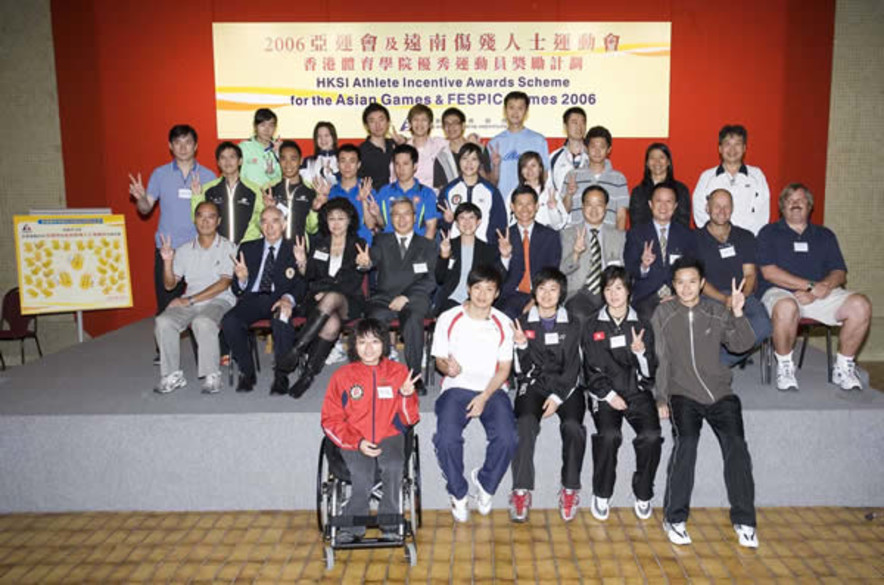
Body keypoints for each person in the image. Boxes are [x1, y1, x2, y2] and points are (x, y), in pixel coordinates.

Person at [652, 257, 759, 549]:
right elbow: (661, 359)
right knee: (686, 442)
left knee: (736, 446)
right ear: (673, 286)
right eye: (679, 282)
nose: (686, 287)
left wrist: (737, 313)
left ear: (701, 283)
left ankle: (745, 520)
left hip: (720, 393)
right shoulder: (663, 314)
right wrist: (661, 397)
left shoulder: (716, 311)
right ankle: (674, 517)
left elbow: (742, 344)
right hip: (682, 393)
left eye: (691, 281)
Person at [757, 183, 871, 392]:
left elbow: (839, 271)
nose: (795, 204)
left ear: (810, 205)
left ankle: (843, 367)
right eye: (790, 201)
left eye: (800, 200)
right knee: (786, 307)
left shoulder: (825, 235)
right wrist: (809, 286)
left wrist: (821, 288)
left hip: (821, 293)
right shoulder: (768, 233)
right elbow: (769, 273)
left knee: (860, 305)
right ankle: (785, 366)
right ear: (782, 207)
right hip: (781, 292)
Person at [320, 318, 421, 544]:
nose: (368, 348)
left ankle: (391, 522)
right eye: (362, 342)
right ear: (353, 345)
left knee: (394, 466)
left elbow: (410, 418)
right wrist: (357, 442)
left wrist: (406, 395)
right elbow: (330, 419)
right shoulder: (342, 377)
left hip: (390, 434)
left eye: (375, 342)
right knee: (362, 474)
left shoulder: (398, 372)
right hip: (354, 438)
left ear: (384, 344)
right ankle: (352, 525)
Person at [432, 265, 517, 522]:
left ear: (497, 293)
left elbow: (504, 369)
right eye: (477, 287)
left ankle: (486, 483)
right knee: (446, 439)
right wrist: (449, 366)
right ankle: (457, 492)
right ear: (468, 289)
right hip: (456, 389)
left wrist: (484, 397)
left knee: (508, 438)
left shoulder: (503, 322)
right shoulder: (449, 317)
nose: (482, 294)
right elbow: (439, 361)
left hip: (492, 389)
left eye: (489, 289)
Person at [582, 266, 661, 523]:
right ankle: (602, 493)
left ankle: (643, 492)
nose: (613, 294)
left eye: (619, 288)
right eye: (608, 289)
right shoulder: (592, 324)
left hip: (636, 391)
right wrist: (608, 395)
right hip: (604, 394)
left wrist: (640, 353)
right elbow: (590, 369)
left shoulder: (642, 324)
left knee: (651, 436)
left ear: (628, 291)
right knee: (609, 435)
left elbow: (649, 375)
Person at [509, 268, 584, 523]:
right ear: (535, 291)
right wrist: (520, 345)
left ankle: (570, 488)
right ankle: (521, 489)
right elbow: (520, 370)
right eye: (542, 288)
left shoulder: (574, 322)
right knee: (524, 423)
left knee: (574, 426)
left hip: (567, 386)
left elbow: (575, 365)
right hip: (535, 382)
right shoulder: (522, 322)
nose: (547, 294)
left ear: (561, 292)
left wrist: (558, 397)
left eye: (553, 289)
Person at [278, 198, 369, 398]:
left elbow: (359, 273)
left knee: (333, 298)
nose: (335, 223)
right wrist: (301, 262)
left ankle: (296, 349)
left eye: (340, 219)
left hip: (348, 300)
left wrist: (365, 264)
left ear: (349, 221)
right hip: (319, 302)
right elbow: (309, 275)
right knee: (332, 324)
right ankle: (308, 375)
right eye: (331, 219)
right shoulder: (320, 244)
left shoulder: (358, 245)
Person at [128, 125, 216, 322]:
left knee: (202, 307)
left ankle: (204, 352)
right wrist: (141, 198)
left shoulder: (209, 176)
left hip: (199, 249)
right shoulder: (160, 174)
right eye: (178, 143)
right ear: (170, 146)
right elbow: (145, 208)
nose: (183, 148)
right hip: (169, 249)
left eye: (188, 142)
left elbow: (215, 215)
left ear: (196, 146)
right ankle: (165, 353)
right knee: (166, 306)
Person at [154, 201, 236, 394]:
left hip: (220, 299)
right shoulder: (184, 250)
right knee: (163, 321)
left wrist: (190, 300)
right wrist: (167, 262)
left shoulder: (229, 247)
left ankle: (212, 374)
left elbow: (224, 284)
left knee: (203, 321)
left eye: (211, 216)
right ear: (195, 220)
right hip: (191, 300)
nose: (205, 221)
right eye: (201, 216)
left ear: (219, 221)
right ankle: (172, 374)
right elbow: (169, 284)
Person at [221, 206, 305, 394]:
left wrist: (288, 298)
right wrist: (242, 279)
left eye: (275, 221)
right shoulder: (248, 248)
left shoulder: (295, 248)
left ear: (283, 224)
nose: (270, 226)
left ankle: (281, 375)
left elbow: (302, 284)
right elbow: (236, 289)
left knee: (281, 317)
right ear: (260, 226)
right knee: (230, 321)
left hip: (282, 300)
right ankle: (247, 371)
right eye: (265, 221)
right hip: (254, 299)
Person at [357, 198, 436, 395]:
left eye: (406, 214)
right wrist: (364, 262)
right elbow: (370, 261)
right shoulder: (382, 241)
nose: (402, 219)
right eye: (396, 215)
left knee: (412, 319)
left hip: (414, 299)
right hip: (384, 298)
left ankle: (414, 376)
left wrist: (406, 297)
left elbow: (431, 279)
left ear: (415, 217)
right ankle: (374, 373)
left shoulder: (427, 245)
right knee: (373, 321)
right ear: (391, 218)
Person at [695, 189, 771, 365]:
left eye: (726, 206)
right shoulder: (695, 238)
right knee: (713, 326)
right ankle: (711, 364)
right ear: (707, 208)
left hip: (743, 296)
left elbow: (750, 274)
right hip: (710, 297)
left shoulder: (745, 237)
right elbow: (698, 279)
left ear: (732, 208)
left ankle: (717, 364)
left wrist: (740, 297)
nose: (722, 211)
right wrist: (724, 298)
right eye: (717, 206)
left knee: (763, 326)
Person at [624, 182, 696, 323]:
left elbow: (695, 269)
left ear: (675, 206)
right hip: (647, 296)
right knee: (650, 319)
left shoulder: (687, 235)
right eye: (659, 201)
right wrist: (644, 266)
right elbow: (630, 268)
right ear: (650, 204)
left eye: (668, 201)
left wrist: (679, 294)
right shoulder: (636, 233)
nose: (663, 206)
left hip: (680, 295)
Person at [560, 186, 627, 323]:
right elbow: (561, 270)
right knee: (579, 313)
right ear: (582, 206)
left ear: (606, 207)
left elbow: (624, 269)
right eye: (589, 204)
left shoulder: (619, 236)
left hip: (610, 290)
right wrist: (576, 253)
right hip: (580, 291)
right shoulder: (568, 234)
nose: (594, 210)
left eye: (599, 205)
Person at [497, 186, 562, 319]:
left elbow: (553, 272)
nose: (525, 209)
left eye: (529, 204)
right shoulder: (502, 236)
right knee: (506, 316)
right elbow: (496, 276)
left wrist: (535, 301)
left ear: (537, 206)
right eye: (520, 204)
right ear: (512, 207)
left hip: (542, 295)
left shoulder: (550, 236)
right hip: (511, 295)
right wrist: (505, 257)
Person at [692, 124, 770, 235]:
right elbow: (699, 210)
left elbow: (762, 213)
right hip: (714, 241)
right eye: (727, 144)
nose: (732, 149)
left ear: (744, 148)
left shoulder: (757, 176)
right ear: (720, 148)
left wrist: (748, 238)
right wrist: (714, 236)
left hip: (749, 240)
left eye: (737, 144)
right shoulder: (707, 177)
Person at [435, 202, 503, 315]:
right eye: (462, 218)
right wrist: (444, 256)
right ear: (456, 223)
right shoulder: (447, 245)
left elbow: (495, 281)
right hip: (451, 300)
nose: (467, 222)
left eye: (471, 217)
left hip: (479, 300)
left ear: (479, 222)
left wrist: (505, 256)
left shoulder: (488, 250)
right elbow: (440, 279)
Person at [191, 141, 263, 245]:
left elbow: (258, 219)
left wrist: (245, 243)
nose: (227, 162)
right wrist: (196, 196)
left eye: (232, 157)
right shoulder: (207, 189)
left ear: (240, 161)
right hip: (216, 248)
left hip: (246, 247)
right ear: (218, 163)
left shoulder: (254, 190)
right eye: (223, 158)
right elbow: (198, 217)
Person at [437, 142, 507, 246]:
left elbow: (500, 223)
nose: (469, 164)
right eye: (465, 159)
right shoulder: (448, 190)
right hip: (454, 249)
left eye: (474, 159)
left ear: (480, 163)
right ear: (458, 162)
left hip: (484, 250)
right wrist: (446, 221)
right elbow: (439, 223)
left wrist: (492, 247)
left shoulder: (491, 191)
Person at [487, 91, 550, 201]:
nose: (515, 112)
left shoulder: (538, 140)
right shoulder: (494, 143)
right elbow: (491, 182)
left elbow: (544, 174)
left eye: (520, 108)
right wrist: (496, 165)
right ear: (505, 110)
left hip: (530, 205)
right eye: (511, 107)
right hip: (503, 203)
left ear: (526, 111)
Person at [562, 126, 629, 230]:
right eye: (593, 147)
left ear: (609, 149)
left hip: (608, 239)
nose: (597, 151)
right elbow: (564, 211)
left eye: (601, 147)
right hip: (578, 238)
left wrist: (619, 240)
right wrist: (569, 195)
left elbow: (621, 215)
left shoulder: (619, 179)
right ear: (586, 148)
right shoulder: (572, 176)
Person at [264, 140, 326, 241]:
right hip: (274, 249)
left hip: (300, 250)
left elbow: (312, 229)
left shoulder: (310, 191)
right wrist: (269, 211)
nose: (288, 164)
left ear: (301, 160)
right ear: (279, 161)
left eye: (293, 159)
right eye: (283, 159)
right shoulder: (269, 190)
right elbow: (259, 225)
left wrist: (315, 210)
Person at [375, 144, 439, 239]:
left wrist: (423, 252)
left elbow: (431, 227)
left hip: (417, 249)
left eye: (405, 164)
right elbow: (380, 224)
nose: (401, 169)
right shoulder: (384, 192)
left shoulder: (427, 194)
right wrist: (376, 214)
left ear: (415, 166)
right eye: (397, 164)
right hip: (388, 248)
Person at [629, 143, 691, 228]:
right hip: (646, 239)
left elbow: (683, 222)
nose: (657, 162)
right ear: (647, 163)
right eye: (652, 158)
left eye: (661, 157)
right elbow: (637, 223)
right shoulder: (638, 192)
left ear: (668, 162)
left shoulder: (681, 190)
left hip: (675, 238)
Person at [328, 144, 379, 246]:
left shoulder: (368, 190)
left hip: (363, 246)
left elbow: (371, 225)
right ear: (338, 164)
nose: (347, 166)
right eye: (343, 161)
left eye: (352, 161)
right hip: (337, 247)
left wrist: (364, 200)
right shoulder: (331, 192)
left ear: (358, 164)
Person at [400, 104, 457, 192]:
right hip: (409, 200)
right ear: (410, 123)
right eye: (416, 120)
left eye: (424, 120)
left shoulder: (440, 144)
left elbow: (458, 144)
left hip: (435, 200)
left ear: (430, 124)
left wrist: (474, 137)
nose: (419, 124)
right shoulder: (403, 150)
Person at [513, 151, 568, 230]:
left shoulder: (550, 193)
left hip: (546, 238)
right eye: (525, 166)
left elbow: (560, 224)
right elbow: (509, 222)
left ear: (540, 169)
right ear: (520, 171)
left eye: (533, 166)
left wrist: (553, 209)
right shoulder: (514, 194)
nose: (529, 170)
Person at [548, 107, 589, 201]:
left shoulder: (593, 156)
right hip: (562, 213)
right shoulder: (554, 158)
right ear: (565, 126)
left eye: (582, 122)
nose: (579, 127)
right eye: (574, 122)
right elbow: (549, 190)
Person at [437, 107, 488, 183]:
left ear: (463, 125)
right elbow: (440, 186)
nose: (451, 127)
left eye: (455, 123)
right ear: (443, 127)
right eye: (447, 123)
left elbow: (489, 180)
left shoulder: (480, 149)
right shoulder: (441, 156)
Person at [359, 103, 402, 188]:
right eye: (372, 121)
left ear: (388, 122)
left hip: (398, 197)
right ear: (366, 125)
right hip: (373, 198)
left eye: (381, 120)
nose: (377, 125)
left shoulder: (396, 146)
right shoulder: (361, 152)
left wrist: (402, 144)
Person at [239, 108, 282, 189]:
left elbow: (286, 177)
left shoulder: (281, 149)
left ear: (275, 128)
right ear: (255, 126)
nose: (267, 129)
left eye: (271, 125)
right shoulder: (243, 147)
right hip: (248, 197)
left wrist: (279, 155)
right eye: (263, 125)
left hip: (274, 196)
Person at [300, 121, 339, 189]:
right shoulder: (307, 161)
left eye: (326, 135)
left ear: (333, 137)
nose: (323, 139)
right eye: (319, 136)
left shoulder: (342, 160)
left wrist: (333, 176)